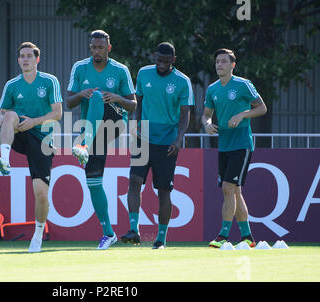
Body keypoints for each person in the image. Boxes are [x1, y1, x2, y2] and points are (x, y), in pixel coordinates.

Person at [67, 30, 136, 250]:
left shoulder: (120, 70)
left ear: (109, 48)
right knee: (93, 182)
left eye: (100, 47)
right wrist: (81, 94)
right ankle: (109, 233)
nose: (96, 51)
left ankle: (83, 145)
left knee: (98, 96)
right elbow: (68, 103)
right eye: (93, 47)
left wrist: (116, 97)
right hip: (93, 128)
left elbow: (133, 105)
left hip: (115, 122)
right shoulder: (80, 68)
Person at [121, 42, 193, 249]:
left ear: (174, 60)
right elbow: (139, 103)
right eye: (159, 60)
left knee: (163, 190)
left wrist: (179, 139)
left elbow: (185, 113)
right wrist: (135, 126)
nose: (162, 64)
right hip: (143, 139)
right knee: (134, 181)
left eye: (166, 61)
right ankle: (133, 230)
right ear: (154, 57)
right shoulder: (144, 74)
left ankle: (161, 238)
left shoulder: (182, 81)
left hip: (167, 143)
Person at [0, 42, 62, 253]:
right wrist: (8, 123)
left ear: (37, 59)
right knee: (10, 114)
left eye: (29, 56)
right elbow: (1, 113)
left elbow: (57, 113)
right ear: (18, 60)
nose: (25, 59)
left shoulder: (50, 81)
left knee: (41, 195)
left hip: (43, 140)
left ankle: (38, 234)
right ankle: (4, 160)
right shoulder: (12, 85)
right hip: (21, 133)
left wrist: (34, 121)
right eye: (22, 56)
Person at [202, 48, 267, 248]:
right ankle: (248, 236)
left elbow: (262, 108)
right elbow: (206, 114)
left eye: (223, 61)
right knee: (235, 191)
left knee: (228, 188)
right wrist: (207, 124)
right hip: (224, 146)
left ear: (232, 65)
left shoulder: (243, 85)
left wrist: (243, 115)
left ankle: (222, 235)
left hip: (241, 144)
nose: (219, 65)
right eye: (217, 62)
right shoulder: (212, 89)